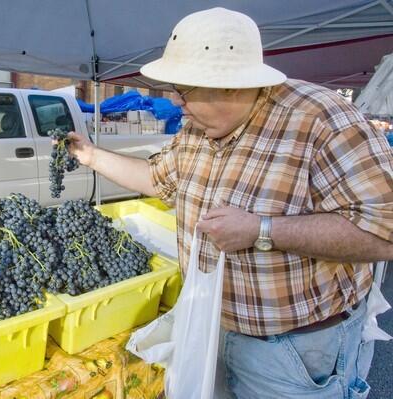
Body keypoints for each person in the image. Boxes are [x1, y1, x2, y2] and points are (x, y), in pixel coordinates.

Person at [66, 7, 393, 398]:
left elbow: (383, 231)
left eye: (184, 91)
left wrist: (262, 230)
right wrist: (91, 156)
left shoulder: (322, 120)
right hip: (212, 330)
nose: (176, 103)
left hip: (293, 353)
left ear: (232, 87)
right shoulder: (197, 129)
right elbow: (157, 179)